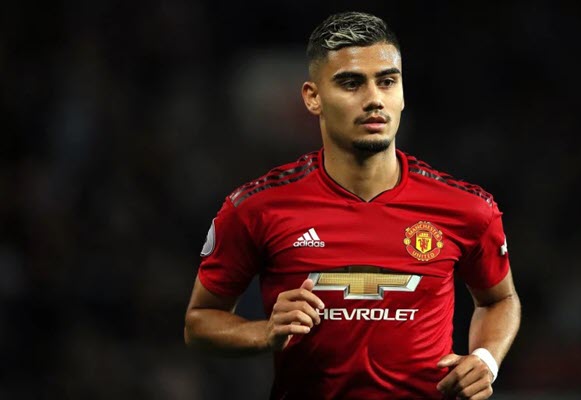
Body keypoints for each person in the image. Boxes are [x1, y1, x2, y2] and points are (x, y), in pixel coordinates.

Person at [184, 11, 521, 400]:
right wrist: (265, 332)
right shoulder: (257, 207)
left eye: (387, 81)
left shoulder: (467, 208)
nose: (374, 99)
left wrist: (485, 359)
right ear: (313, 97)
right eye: (351, 83)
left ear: (402, 92)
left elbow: (499, 299)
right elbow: (199, 322)